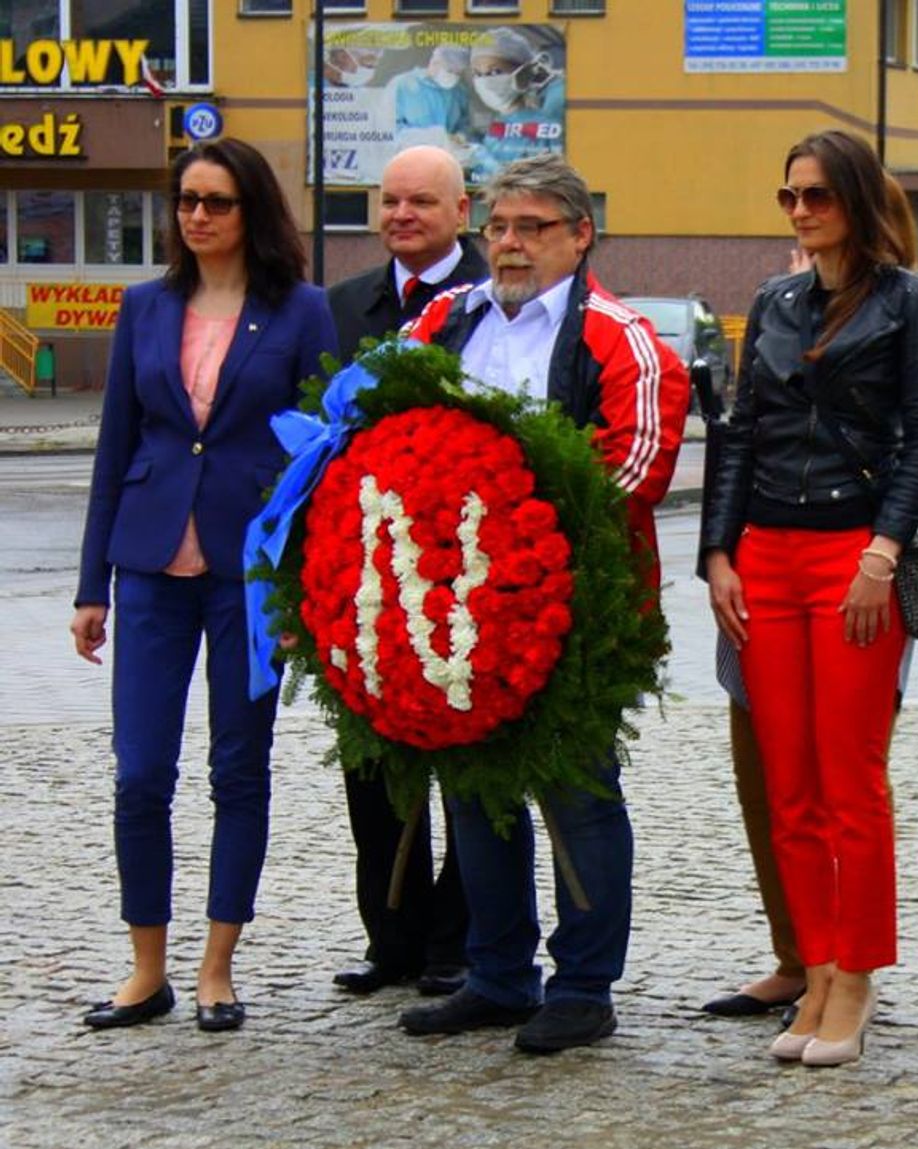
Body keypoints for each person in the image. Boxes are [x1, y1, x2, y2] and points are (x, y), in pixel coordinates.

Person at [394, 153, 689, 1052]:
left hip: (579, 605)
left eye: (532, 227)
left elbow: (635, 467)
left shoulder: (622, 336)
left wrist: (511, 524)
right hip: (459, 604)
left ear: (581, 234)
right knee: (474, 790)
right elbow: (383, 427)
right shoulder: (443, 319)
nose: (510, 244)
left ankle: (585, 985)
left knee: (577, 793)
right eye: (497, 227)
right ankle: (498, 974)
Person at [70, 138, 337, 1033]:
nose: (196, 216)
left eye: (216, 201)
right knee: (141, 772)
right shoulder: (144, 306)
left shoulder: (300, 312)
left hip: (246, 574)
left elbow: (320, 458)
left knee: (238, 768)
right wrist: (92, 585)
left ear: (250, 210)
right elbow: (115, 447)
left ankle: (217, 967)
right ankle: (145, 968)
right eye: (186, 199)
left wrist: (299, 590)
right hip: (149, 566)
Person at [701, 129, 918, 1067]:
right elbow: (740, 433)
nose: (801, 211)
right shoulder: (775, 300)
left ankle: (856, 975)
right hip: (765, 554)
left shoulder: (912, 303)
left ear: (854, 199)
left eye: (816, 194)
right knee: (790, 785)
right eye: (789, 196)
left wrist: (882, 554)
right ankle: (813, 968)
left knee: (853, 781)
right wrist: (718, 553)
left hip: (856, 553)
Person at [324, 144, 490, 999]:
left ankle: (457, 940)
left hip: (467, 563)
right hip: (362, 566)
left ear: (462, 210)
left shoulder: (491, 299)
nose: (400, 215)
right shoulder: (342, 304)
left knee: (468, 763)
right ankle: (391, 936)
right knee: (373, 763)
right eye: (389, 201)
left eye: (421, 201)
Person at [465, 28, 567, 185]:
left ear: (523, 72)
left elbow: (528, 181)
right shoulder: (499, 125)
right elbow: (484, 177)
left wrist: (479, 154)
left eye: (495, 71)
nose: (484, 81)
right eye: (477, 74)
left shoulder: (549, 122)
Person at [392, 46, 471, 145]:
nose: (454, 76)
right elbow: (391, 127)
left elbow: (465, 123)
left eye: (458, 73)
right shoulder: (404, 85)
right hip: (413, 150)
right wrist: (429, 137)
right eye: (450, 70)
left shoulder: (458, 90)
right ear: (434, 63)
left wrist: (460, 137)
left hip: (449, 151)